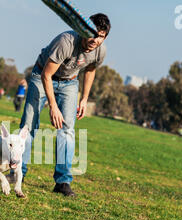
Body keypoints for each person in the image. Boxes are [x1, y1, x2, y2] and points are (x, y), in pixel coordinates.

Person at [11, 13, 110, 197]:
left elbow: (90, 70)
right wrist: (53, 106)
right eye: (93, 34)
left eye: (101, 37)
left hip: (70, 83)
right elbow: (46, 76)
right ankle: (18, 173)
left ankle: (62, 181)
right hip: (42, 77)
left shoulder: (100, 50)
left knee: (67, 130)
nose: (95, 40)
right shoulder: (66, 41)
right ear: (83, 29)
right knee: (29, 126)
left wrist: (84, 98)